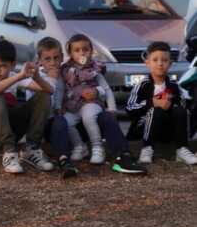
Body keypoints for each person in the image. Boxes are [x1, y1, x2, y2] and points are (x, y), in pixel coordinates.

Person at [37, 36, 144, 177]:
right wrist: (57, 107)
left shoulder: (88, 70)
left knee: (105, 117)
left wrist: (100, 96)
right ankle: (67, 157)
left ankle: (121, 155)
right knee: (62, 120)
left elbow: (105, 89)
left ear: (62, 57)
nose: (53, 62)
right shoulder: (40, 76)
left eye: (56, 58)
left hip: (87, 113)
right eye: (47, 59)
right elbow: (50, 99)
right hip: (61, 125)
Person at [0, 39, 55, 174]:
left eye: (3, 66)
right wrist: (19, 77)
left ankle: (31, 148)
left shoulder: (13, 76)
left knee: (43, 95)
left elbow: (50, 90)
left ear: (12, 65)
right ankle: (9, 153)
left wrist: (36, 77)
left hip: (12, 130)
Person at [126, 41, 196, 165]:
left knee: (179, 110)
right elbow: (130, 108)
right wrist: (151, 102)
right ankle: (147, 148)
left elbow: (184, 108)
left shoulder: (174, 86)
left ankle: (182, 149)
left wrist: (172, 105)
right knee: (155, 110)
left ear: (170, 63)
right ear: (147, 63)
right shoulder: (142, 85)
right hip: (144, 129)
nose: (160, 64)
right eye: (155, 60)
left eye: (164, 60)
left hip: (168, 130)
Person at [60, 33, 112, 164]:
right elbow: (62, 89)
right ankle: (79, 146)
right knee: (65, 122)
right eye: (77, 50)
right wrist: (59, 105)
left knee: (88, 117)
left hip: (91, 102)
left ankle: (97, 147)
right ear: (71, 54)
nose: (82, 53)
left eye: (85, 49)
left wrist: (112, 107)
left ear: (91, 51)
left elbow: (106, 89)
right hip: (73, 105)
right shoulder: (67, 71)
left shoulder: (94, 69)